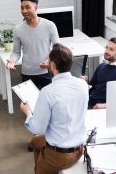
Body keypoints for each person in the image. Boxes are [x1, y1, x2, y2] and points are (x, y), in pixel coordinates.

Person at [20, 43, 89, 174]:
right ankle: (40, 163)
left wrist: (28, 112)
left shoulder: (47, 92)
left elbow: (38, 128)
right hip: (80, 149)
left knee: (38, 143)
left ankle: (41, 167)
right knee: (35, 142)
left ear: (52, 65)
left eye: (49, 60)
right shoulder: (82, 85)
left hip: (60, 156)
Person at [6, 0, 60, 89]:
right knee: (30, 103)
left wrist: (49, 61)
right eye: (22, 8)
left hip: (47, 72)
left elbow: (57, 48)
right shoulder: (18, 29)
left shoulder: (49, 25)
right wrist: (12, 61)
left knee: (49, 102)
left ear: (36, 8)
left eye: (27, 7)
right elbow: (16, 52)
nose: (24, 11)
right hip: (27, 73)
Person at [82, 37, 116, 109]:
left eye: (111, 49)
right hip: (88, 103)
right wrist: (83, 83)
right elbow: (91, 88)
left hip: (102, 110)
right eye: (106, 47)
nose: (106, 51)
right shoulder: (102, 66)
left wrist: (105, 106)